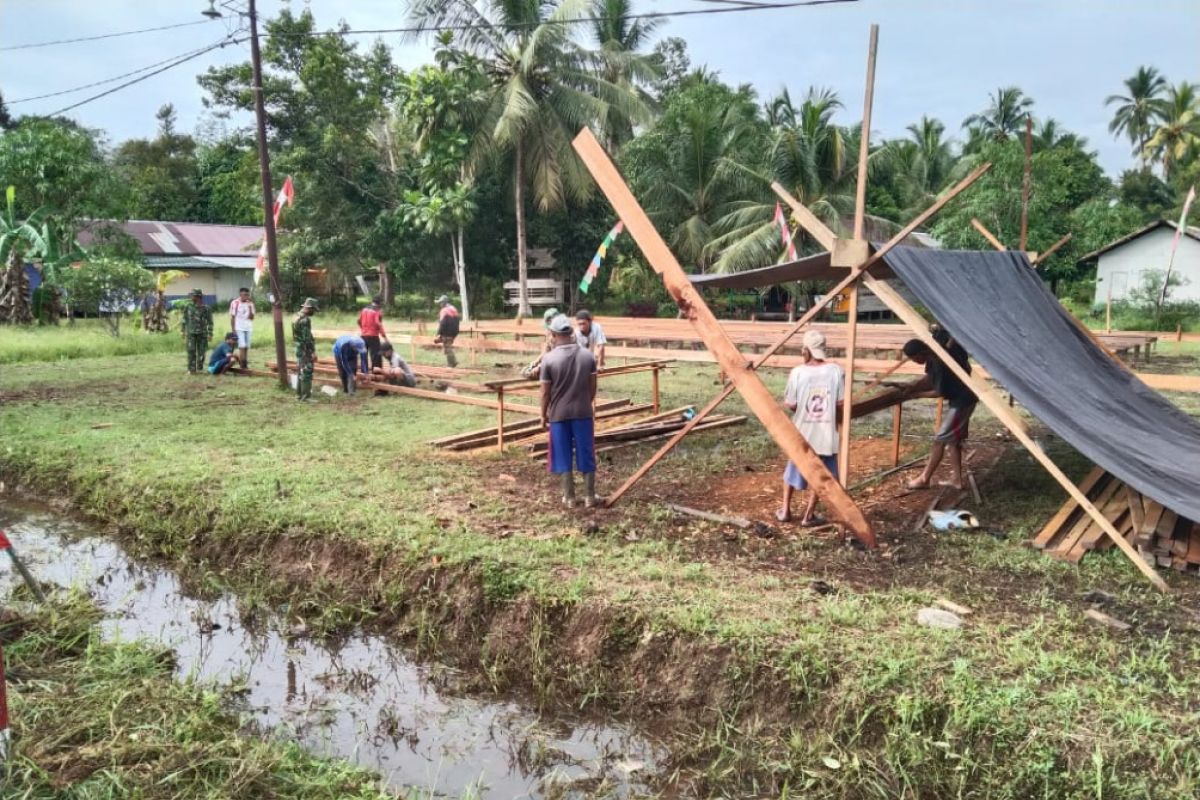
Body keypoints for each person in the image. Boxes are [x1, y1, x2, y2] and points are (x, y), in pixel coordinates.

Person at [777, 329, 844, 525]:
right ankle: (808, 515)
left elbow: (791, 403)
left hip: (803, 430)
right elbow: (840, 403)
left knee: (794, 467)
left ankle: (785, 510)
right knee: (821, 473)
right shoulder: (836, 371)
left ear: (805, 350)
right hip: (826, 431)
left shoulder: (798, 372)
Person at [900, 329, 978, 491]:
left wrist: (916, 395)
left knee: (939, 440)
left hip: (962, 403)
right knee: (953, 441)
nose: (915, 362)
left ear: (921, 353)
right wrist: (912, 386)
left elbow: (939, 392)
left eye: (915, 359)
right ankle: (956, 480)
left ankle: (924, 479)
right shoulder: (935, 354)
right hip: (962, 399)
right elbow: (930, 378)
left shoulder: (941, 363)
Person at [540, 314, 599, 508]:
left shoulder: (548, 360)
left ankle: (570, 497)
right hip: (583, 412)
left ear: (554, 334)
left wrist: (543, 415)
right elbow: (593, 388)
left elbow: (545, 393)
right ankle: (590, 496)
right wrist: (584, 402)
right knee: (586, 451)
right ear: (570, 332)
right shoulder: (588, 356)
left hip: (559, 415)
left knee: (563, 453)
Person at [180, 289, 213, 375]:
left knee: (202, 352)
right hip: (191, 333)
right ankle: (191, 370)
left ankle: (199, 367)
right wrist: (182, 330)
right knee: (191, 351)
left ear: (198, 296)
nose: (191, 297)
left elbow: (210, 321)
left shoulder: (206, 308)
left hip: (202, 333)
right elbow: (184, 319)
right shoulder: (188, 306)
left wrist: (210, 333)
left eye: (193, 295)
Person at [293, 297, 318, 401]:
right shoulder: (305, 320)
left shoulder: (296, 316)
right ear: (309, 308)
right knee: (307, 371)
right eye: (313, 309)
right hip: (305, 349)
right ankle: (305, 397)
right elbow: (307, 338)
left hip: (298, 347)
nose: (314, 312)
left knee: (301, 371)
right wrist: (312, 352)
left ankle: (299, 395)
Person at [357, 295, 388, 371]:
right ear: (379, 303)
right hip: (373, 336)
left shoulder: (364, 309)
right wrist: (384, 336)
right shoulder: (376, 312)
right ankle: (376, 373)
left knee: (363, 354)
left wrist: (363, 329)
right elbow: (378, 324)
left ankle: (364, 372)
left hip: (363, 336)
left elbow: (358, 321)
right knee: (376, 355)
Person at [229, 287, 256, 369]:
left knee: (247, 346)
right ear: (240, 294)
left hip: (248, 328)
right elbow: (232, 317)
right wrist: (233, 330)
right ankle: (243, 365)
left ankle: (244, 362)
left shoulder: (250, 304)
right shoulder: (235, 303)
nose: (246, 296)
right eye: (244, 295)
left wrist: (250, 307)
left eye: (247, 295)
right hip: (239, 328)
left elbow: (252, 318)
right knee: (242, 345)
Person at [434, 294, 461, 368]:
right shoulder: (453, 308)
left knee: (447, 348)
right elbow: (457, 320)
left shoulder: (444, 310)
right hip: (454, 331)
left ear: (443, 303)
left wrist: (438, 334)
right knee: (448, 346)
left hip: (447, 331)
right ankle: (453, 362)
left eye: (440, 303)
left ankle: (451, 364)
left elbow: (442, 323)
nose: (440, 304)